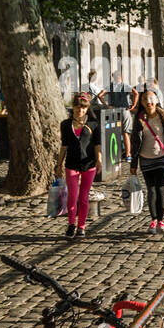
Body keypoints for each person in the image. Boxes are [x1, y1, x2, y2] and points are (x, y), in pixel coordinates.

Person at [130, 89, 164, 235]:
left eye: (151, 98)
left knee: (160, 188)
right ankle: (153, 220)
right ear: (141, 103)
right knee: (151, 189)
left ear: (157, 100)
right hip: (145, 158)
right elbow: (135, 142)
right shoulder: (139, 118)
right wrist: (133, 164)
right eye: (145, 100)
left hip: (163, 157)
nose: (148, 102)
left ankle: (161, 221)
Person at [56, 92, 102, 239]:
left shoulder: (93, 124)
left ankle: (81, 226)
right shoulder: (65, 124)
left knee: (83, 197)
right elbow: (64, 146)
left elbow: (97, 144)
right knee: (72, 195)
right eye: (77, 107)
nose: (80, 110)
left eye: (83, 108)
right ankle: (71, 224)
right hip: (71, 163)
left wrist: (99, 160)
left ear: (87, 108)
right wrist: (58, 165)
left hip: (89, 164)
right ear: (73, 108)